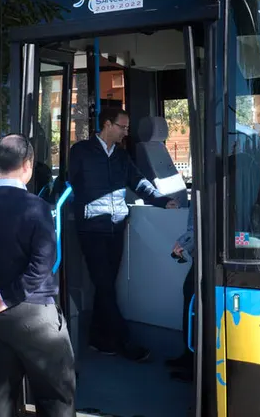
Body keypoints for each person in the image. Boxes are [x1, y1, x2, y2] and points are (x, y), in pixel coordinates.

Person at [0, 133, 75, 417]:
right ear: (28, 165)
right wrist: (8, 297)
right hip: (35, 316)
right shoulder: (37, 208)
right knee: (56, 396)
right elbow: (43, 263)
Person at [68, 108, 178, 362]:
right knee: (105, 285)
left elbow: (138, 182)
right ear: (107, 125)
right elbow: (72, 182)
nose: (126, 132)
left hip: (116, 227)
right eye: (123, 127)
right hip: (91, 228)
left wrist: (163, 201)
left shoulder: (121, 156)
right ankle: (124, 341)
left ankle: (97, 338)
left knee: (104, 286)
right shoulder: (81, 151)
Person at [167, 208, 196, 382]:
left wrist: (185, 242)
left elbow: (204, 217)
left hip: (208, 252)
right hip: (206, 249)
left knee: (193, 300)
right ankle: (190, 355)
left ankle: (194, 360)